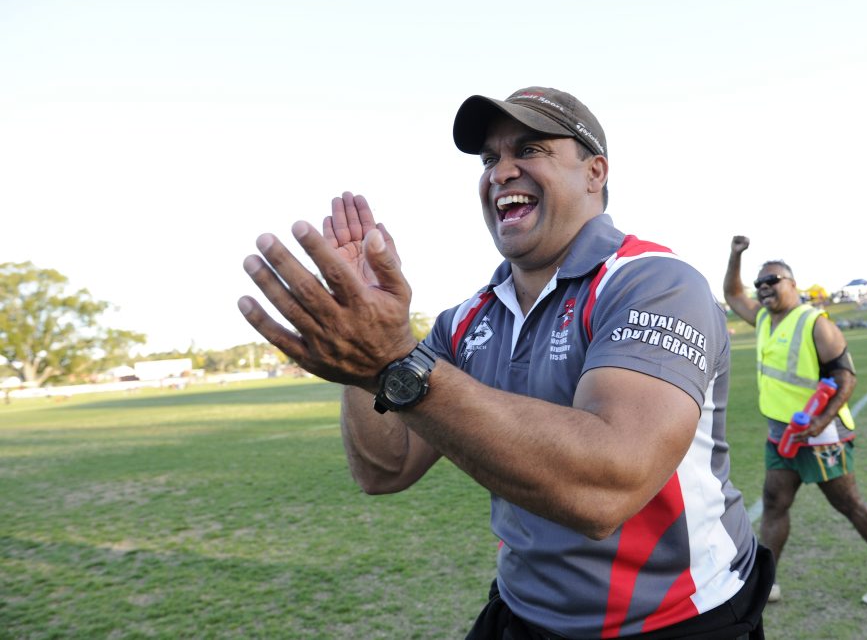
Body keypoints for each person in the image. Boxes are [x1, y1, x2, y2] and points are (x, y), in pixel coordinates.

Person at [238, 87, 773, 638]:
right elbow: (384, 468)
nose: (501, 172)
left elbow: (608, 488)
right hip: (522, 612)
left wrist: (393, 360)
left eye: (531, 149)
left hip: (679, 619)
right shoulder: (465, 321)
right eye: (490, 158)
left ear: (594, 173)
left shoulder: (653, 282)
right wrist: (363, 360)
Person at [723, 236, 867, 606]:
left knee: (849, 504)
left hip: (823, 434)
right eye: (760, 284)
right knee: (775, 502)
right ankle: (767, 583)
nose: (764, 288)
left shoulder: (815, 324)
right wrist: (735, 255)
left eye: (773, 281)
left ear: (793, 284)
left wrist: (819, 421)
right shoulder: (763, 319)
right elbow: (732, 293)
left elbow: (846, 378)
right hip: (782, 434)